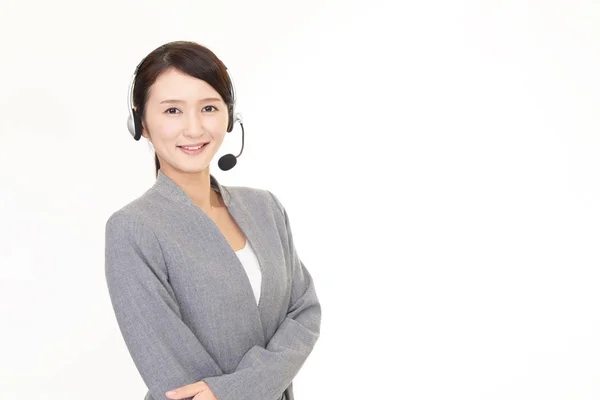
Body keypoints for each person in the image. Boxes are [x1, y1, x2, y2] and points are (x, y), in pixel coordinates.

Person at [104, 40, 322, 400]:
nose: (194, 129)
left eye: (208, 107)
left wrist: (231, 391)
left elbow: (304, 312)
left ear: (230, 116)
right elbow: (174, 376)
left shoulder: (265, 208)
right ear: (140, 121)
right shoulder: (134, 228)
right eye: (172, 111)